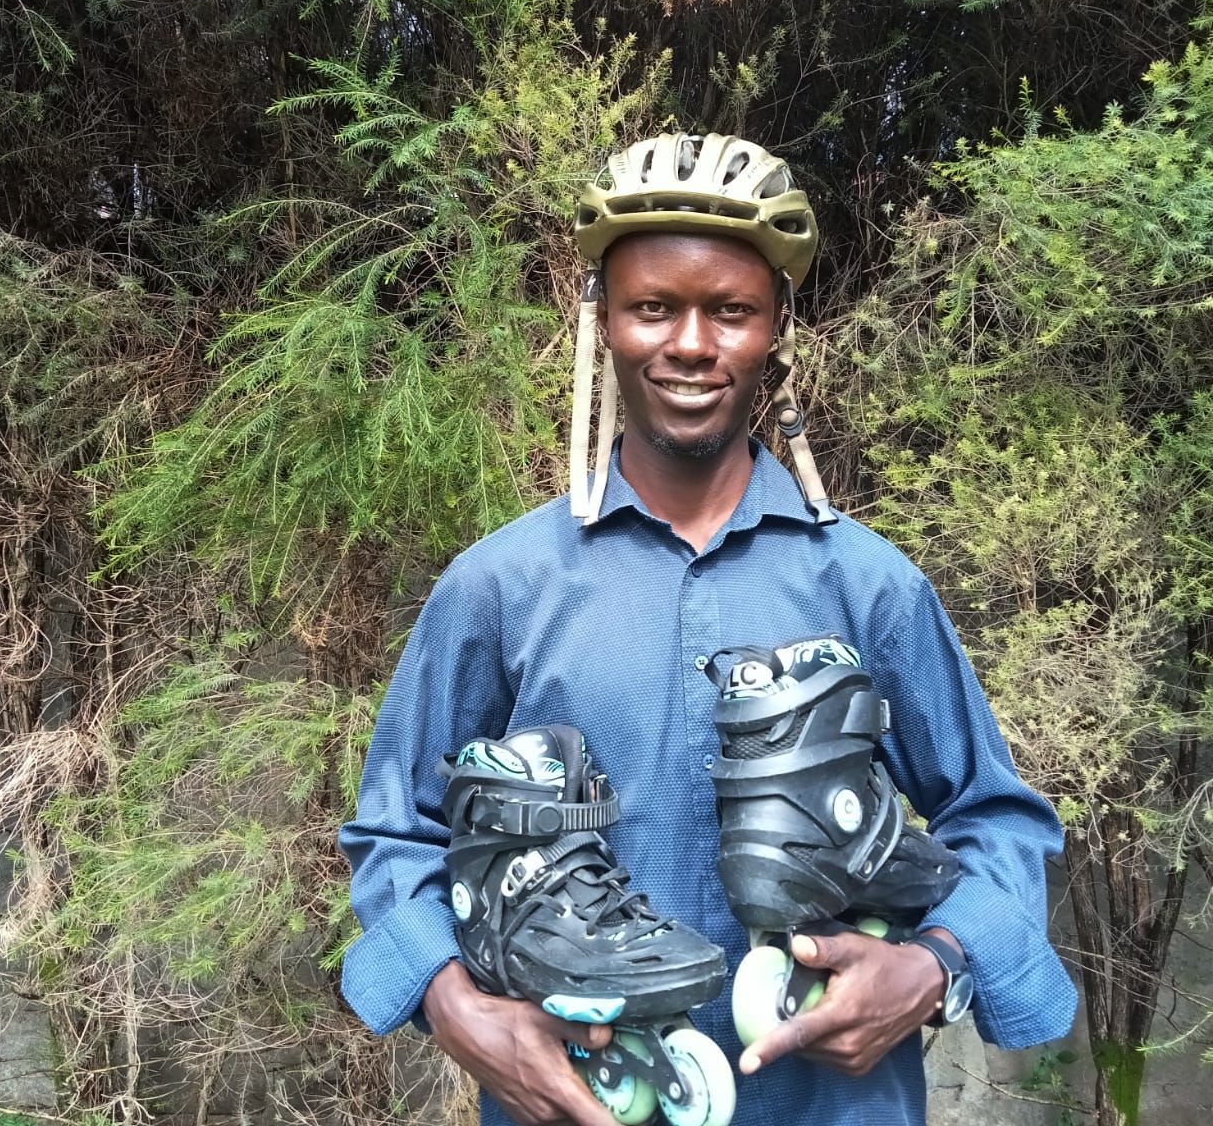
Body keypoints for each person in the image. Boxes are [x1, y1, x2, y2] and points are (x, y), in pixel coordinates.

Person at [338, 132, 1077, 1126]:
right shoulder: (497, 587)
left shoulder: (869, 586)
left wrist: (933, 964)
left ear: (773, 326)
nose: (689, 342)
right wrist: (449, 998)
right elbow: (394, 829)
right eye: (653, 307)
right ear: (603, 321)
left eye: (728, 310)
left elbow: (997, 819)